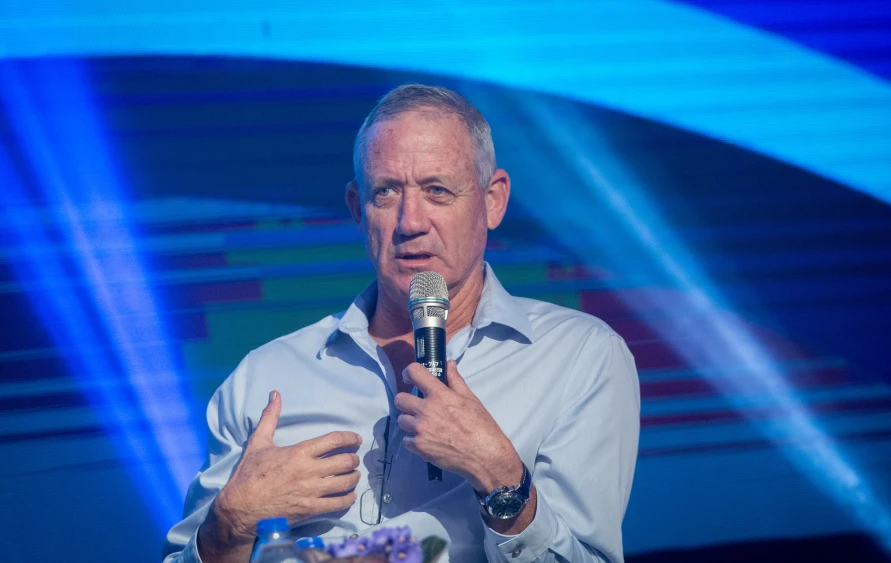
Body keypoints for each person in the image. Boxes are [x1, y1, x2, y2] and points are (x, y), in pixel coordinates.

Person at [163, 84, 640, 563]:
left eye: (437, 190)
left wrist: (499, 475)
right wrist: (230, 524)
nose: (411, 221)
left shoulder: (580, 357)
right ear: (357, 208)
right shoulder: (264, 378)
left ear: (492, 200)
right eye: (386, 192)